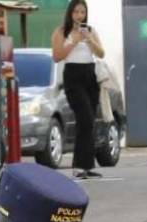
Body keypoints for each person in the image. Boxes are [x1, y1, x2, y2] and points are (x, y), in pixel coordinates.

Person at [51, 1, 104, 180]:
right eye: (76, 12)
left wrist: (89, 39)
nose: (79, 15)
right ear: (70, 13)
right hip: (73, 77)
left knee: (88, 122)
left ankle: (86, 166)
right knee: (85, 117)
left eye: (82, 12)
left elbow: (101, 53)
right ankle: (78, 166)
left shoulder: (90, 30)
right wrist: (74, 41)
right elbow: (57, 56)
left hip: (89, 75)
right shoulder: (61, 32)